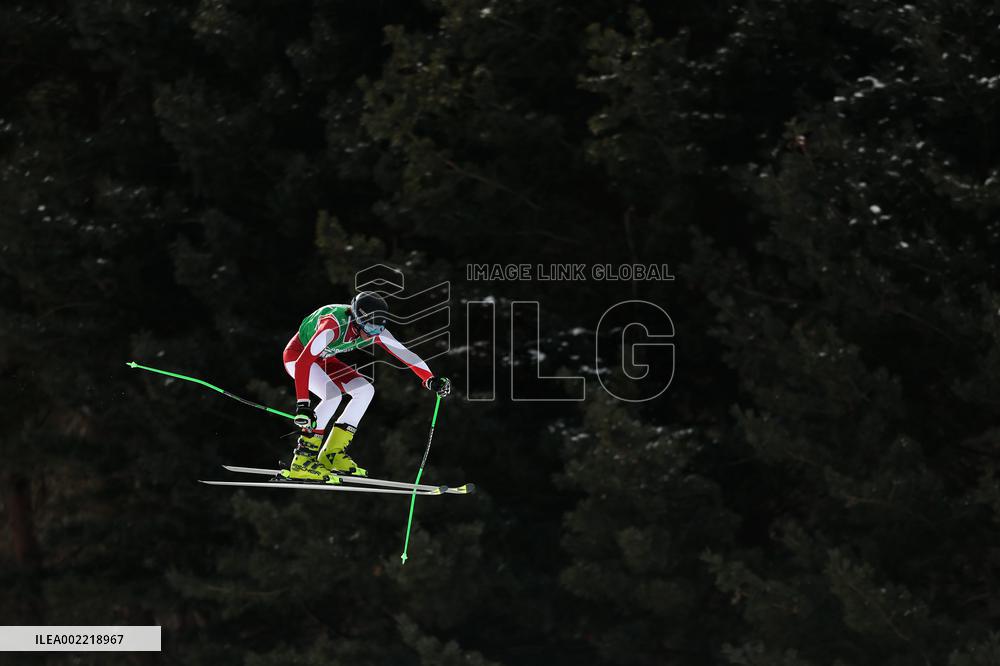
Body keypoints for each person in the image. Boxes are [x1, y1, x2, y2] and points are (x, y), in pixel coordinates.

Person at [281, 291, 450, 484]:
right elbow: (304, 362)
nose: (374, 333)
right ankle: (302, 461)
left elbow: (405, 354)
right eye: (370, 327)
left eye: (379, 327)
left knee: (365, 390)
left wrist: (430, 379)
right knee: (333, 396)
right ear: (356, 319)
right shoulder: (333, 327)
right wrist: (303, 405)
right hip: (297, 357)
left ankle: (331, 454)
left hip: (325, 359)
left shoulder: (375, 330)